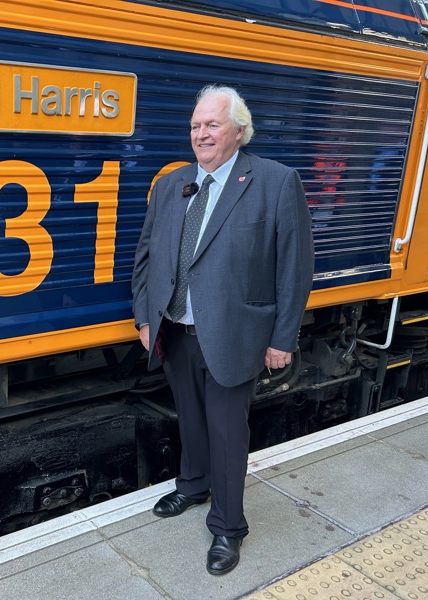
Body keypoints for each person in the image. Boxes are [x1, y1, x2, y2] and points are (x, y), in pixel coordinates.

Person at [131, 84, 314, 576]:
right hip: (176, 328)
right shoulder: (173, 183)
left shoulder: (275, 181)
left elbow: (294, 268)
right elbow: (147, 256)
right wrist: (146, 317)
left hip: (238, 335)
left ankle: (229, 526)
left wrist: (282, 339)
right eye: (195, 125)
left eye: (212, 124)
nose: (201, 134)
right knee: (189, 419)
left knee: (228, 432)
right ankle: (192, 485)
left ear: (239, 130)